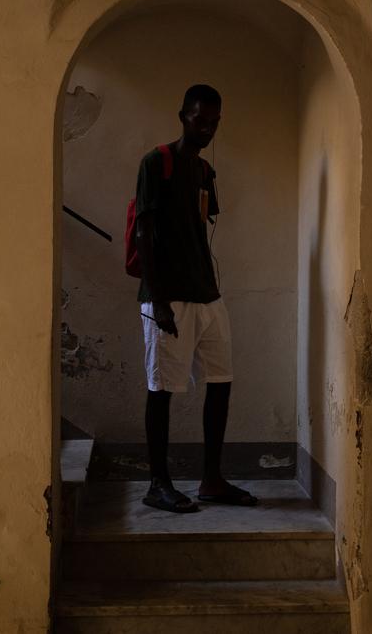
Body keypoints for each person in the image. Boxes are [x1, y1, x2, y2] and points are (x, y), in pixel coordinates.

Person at [134, 84, 258, 513]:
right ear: (182, 115)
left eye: (214, 123)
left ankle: (211, 479)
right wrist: (160, 299)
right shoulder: (156, 163)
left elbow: (202, 225)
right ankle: (158, 483)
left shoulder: (205, 172)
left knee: (221, 383)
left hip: (207, 295)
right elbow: (144, 233)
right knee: (161, 390)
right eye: (199, 120)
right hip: (167, 298)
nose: (206, 129)